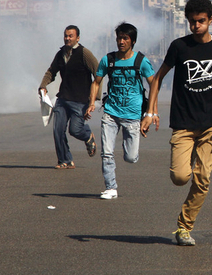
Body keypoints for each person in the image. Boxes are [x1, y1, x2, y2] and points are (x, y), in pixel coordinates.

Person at [140, 0, 212, 247]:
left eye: (201, 21)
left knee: (202, 178)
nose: (196, 26)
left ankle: (184, 227)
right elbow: (158, 79)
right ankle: (189, 163)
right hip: (183, 123)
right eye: (192, 22)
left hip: (210, 123)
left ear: (211, 20)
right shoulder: (178, 47)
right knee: (181, 177)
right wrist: (151, 113)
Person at [85, 22, 156, 200]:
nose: (121, 41)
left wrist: (151, 113)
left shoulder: (141, 61)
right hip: (111, 113)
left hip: (132, 116)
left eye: (125, 38)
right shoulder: (108, 60)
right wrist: (92, 103)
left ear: (132, 41)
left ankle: (129, 154)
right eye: (119, 38)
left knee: (131, 157)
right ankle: (111, 188)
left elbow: (154, 84)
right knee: (107, 152)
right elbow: (96, 81)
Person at [39, 25, 99, 169]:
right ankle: (65, 160)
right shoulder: (60, 54)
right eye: (66, 36)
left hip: (80, 100)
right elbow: (51, 71)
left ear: (77, 38)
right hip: (63, 99)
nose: (67, 38)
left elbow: (98, 73)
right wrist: (43, 86)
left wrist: (93, 100)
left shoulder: (84, 53)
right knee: (57, 130)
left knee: (75, 130)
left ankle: (88, 136)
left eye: (71, 36)